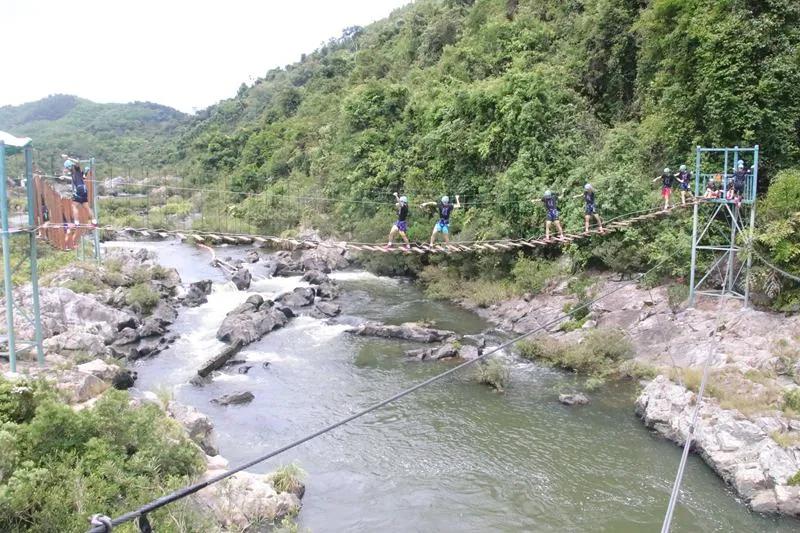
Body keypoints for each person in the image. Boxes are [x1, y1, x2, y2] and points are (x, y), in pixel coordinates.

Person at [63, 158, 95, 249]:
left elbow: (77, 162)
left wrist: (68, 158)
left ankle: (76, 222)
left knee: (74, 205)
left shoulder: (76, 169)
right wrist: (63, 177)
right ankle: (94, 221)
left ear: (70, 166)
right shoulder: (75, 173)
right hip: (84, 190)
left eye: (67, 168)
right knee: (86, 206)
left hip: (80, 189)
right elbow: (81, 177)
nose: (67, 169)